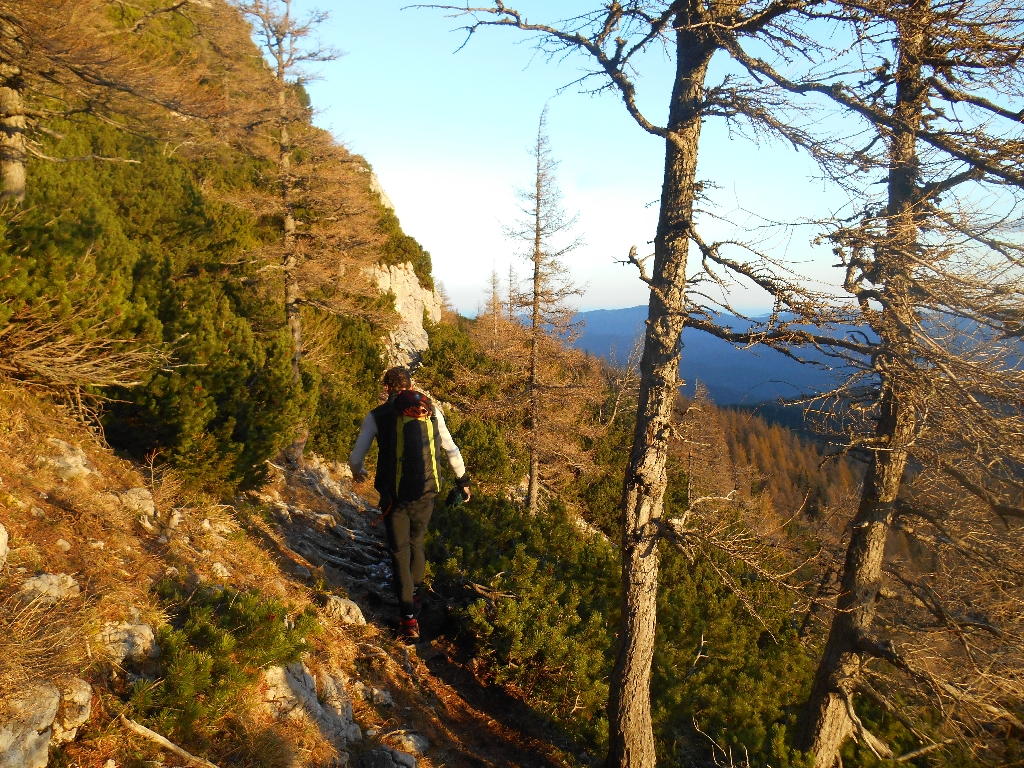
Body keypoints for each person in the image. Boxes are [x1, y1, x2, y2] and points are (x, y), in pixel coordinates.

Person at [349, 366, 471, 639]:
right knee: (418, 543)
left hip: (394, 497)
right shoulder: (430, 411)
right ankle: (415, 595)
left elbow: (356, 458)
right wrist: (463, 481)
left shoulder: (377, 416)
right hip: (427, 493)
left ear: (388, 388)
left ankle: (408, 622)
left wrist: (359, 473)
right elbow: (451, 449)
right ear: (410, 385)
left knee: (399, 552)